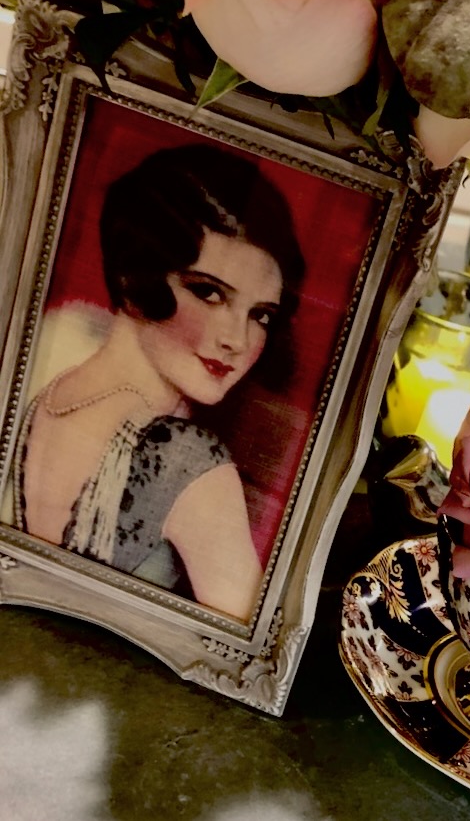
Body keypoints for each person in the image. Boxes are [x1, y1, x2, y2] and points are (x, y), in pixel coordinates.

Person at [11, 144, 305, 621]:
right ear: (134, 273)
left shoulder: (51, 392)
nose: (236, 339)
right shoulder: (186, 460)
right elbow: (250, 656)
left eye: (261, 316)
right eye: (208, 292)